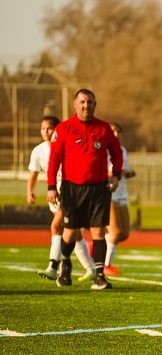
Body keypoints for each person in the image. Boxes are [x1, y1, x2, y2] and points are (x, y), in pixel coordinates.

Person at [47, 89, 123, 290]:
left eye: (89, 102)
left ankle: (99, 276)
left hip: (99, 189)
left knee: (98, 231)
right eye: (82, 102)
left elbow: (116, 153)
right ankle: (66, 264)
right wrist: (51, 187)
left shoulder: (104, 129)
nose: (85, 105)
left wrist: (116, 175)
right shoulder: (64, 129)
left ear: (94, 104)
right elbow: (54, 159)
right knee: (70, 233)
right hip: (72, 189)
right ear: (75, 104)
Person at [26, 116, 96, 282]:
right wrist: (30, 191)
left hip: (71, 192)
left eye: (49, 128)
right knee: (74, 232)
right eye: (43, 128)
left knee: (56, 227)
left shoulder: (68, 146)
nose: (46, 132)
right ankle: (91, 268)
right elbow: (34, 174)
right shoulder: (38, 151)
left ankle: (53, 266)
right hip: (54, 193)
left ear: (57, 130)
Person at [104, 122, 136, 276]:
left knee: (124, 234)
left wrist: (128, 173)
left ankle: (96, 246)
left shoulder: (122, 151)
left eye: (118, 132)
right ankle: (105, 265)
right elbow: (100, 172)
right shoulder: (103, 151)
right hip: (109, 193)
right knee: (115, 232)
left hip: (122, 194)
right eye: (113, 132)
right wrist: (115, 173)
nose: (116, 135)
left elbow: (125, 171)